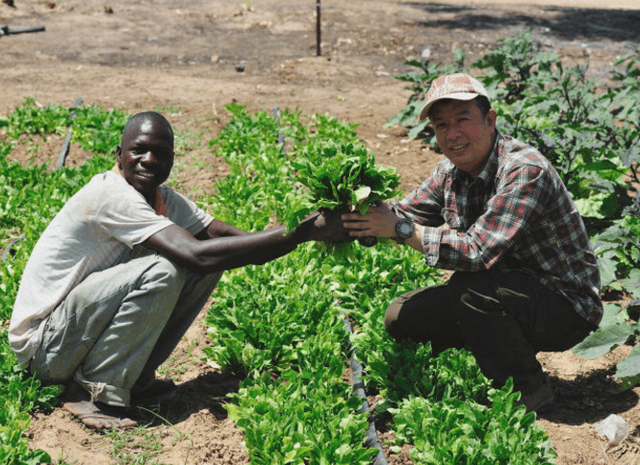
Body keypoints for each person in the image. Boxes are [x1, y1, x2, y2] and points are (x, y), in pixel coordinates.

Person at [9, 111, 349, 430]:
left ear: (172, 158)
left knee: (213, 262)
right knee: (168, 269)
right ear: (119, 153)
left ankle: (134, 376)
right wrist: (306, 229)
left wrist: (312, 229)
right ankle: (94, 392)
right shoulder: (111, 196)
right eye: (139, 150)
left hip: (73, 335)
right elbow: (196, 254)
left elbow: (233, 244)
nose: (150, 161)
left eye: (161, 153)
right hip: (44, 349)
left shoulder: (161, 198)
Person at [342, 73, 603, 412]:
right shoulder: (448, 174)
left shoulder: (524, 170)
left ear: (490, 120)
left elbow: (476, 251)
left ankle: (527, 388)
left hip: (564, 305)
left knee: (470, 288)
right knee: (401, 317)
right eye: (441, 126)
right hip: (506, 290)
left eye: (463, 120)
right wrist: (355, 215)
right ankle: (494, 349)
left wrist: (400, 229)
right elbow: (404, 212)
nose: (452, 135)